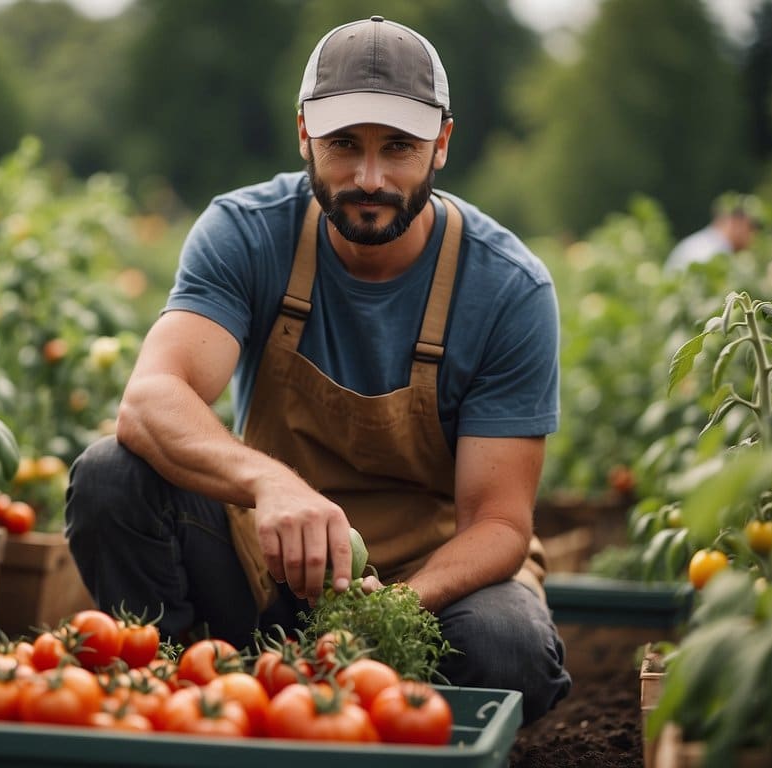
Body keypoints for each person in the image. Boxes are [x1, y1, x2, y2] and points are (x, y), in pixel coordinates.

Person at [65, 15, 570, 723]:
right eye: (343, 145)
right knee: (112, 476)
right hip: (263, 563)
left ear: (442, 144)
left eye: (398, 147)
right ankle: (184, 697)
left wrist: (394, 609)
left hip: (432, 582)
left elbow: (499, 521)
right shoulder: (247, 232)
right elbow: (151, 397)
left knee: (506, 647)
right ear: (304, 134)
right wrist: (269, 483)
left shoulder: (508, 288)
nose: (370, 178)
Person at [666, 193, 763, 271]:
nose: (753, 236)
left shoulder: (703, 242)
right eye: (750, 228)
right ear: (737, 223)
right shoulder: (711, 252)